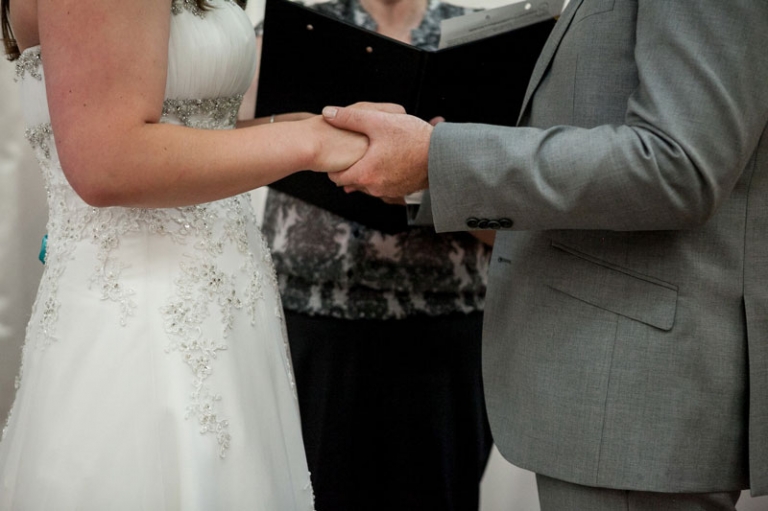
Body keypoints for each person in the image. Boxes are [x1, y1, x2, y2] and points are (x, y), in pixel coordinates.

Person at [320, 1, 768, 509]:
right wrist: (431, 174)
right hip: (607, 383)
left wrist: (439, 159)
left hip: (637, 392)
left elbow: (677, 166)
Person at [0, 0, 367, 508]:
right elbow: (109, 161)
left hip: (230, 317)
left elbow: (193, 130)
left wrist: (322, 127)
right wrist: (312, 143)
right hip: (142, 322)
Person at [257, 1, 493, 509]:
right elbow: (228, 134)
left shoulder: (481, 40)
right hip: (313, 319)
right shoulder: (300, 28)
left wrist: (435, 178)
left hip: (444, 330)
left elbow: (517, 209)